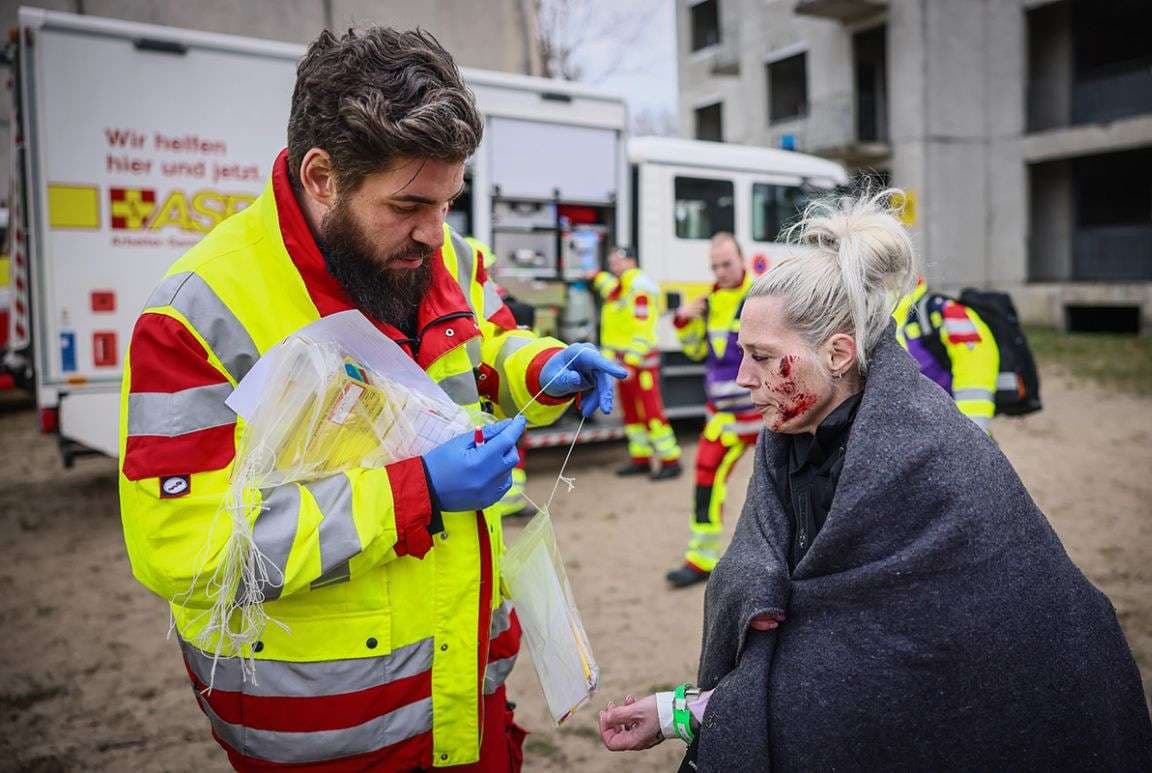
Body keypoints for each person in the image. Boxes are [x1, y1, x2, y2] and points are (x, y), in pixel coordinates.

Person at [118, 27, 625, 771]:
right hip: (332, 731)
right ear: (322, 176)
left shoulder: (449, 254)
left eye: (448, 203)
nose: (435, 234)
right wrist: (417, 492)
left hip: (466, 695)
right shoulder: (199, 313)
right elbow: (185, 547)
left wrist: (545, 366)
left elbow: (487, 346)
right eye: (409, 204)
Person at [598, 190, 1152, 770]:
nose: (743, 376)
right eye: (743, 353)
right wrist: (681, 706)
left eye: (762, 357)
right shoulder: (792, 440)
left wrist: (684, 713)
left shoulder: (930, 461)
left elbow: (871, 682)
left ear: (839, 354)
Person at [664, 232, 761, 588]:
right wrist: (684, 322)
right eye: (715, 266)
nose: (720, 271)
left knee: (788, 483)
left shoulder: (763, 297)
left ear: (742, 260)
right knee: (705, 478)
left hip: (764, 414)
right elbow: (696, 353)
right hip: (723, 416)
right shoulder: (707, 303)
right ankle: (701, 558)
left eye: (726, 264)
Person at [592, 246, 682, 480]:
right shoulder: (619, 287)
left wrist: (631, 362)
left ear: (632, 261)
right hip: (624, 364)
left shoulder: (640, 288)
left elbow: (643, 328)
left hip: (640, 365)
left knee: (651, 413)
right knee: (631, 414)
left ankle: (670, 460)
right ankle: (640, 458)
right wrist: (594, 275)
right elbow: (607, 287)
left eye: (619, 260)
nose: (614, 264)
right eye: (611, 260)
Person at [466, 235, 538, 519]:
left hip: (481, 389)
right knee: (509, 440)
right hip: (496, 387)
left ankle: (505, 503)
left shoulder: (462, 301)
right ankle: (510, 503)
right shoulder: (494, 302)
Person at [892, 277, 999, 433]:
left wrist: (969, 433)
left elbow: (976, 374)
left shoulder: (948, 312)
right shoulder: (871, 316)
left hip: (950, 434)